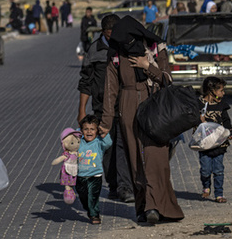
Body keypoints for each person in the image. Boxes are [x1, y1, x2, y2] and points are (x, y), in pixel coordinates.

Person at [101, 17, 183, 224]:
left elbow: (167, 80)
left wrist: (148, 66)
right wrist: (106, 122)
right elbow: (110, 91)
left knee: (156, 159)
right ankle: (145, 207)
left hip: (154, 107)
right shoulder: (116, 56)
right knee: (136, 159)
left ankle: (160, 206)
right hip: (128, 108)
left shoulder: (155, 48)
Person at [77, 14, 132, 202]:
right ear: (103, 33)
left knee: (123, 146)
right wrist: (82, 110)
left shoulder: (126, 46)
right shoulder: (94, 50)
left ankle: (125, 186)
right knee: (108, 148)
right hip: (101, 108)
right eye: (109, 35)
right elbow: (86, 81)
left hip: (124, 105)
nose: (112, 39)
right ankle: (114, 185)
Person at [197, 77, 232, 204]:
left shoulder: (222, 105)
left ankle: (219, 194)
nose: (223, 93)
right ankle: (206, 186)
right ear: (211, 91)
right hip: (204, 144)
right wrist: (199, 120)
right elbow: (190, 120)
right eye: (221, 90)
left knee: (218, 170)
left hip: (220, 143)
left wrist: (230, 131)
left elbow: (226, 120)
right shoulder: (199, 105)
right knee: (205, 170)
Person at [75, 114, 112, 225]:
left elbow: (108, 143)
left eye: (92, 129)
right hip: (80, 176)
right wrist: (78, 132)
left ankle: (94, 215)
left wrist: (104, 132)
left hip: (95, 176)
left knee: (93, 197)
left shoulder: (99, 142)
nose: (89, 132)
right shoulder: (79, 142)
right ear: (81, 130)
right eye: (86, 129)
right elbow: (70, 140)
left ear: (97, 130)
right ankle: (89, 208)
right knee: (83, 197)